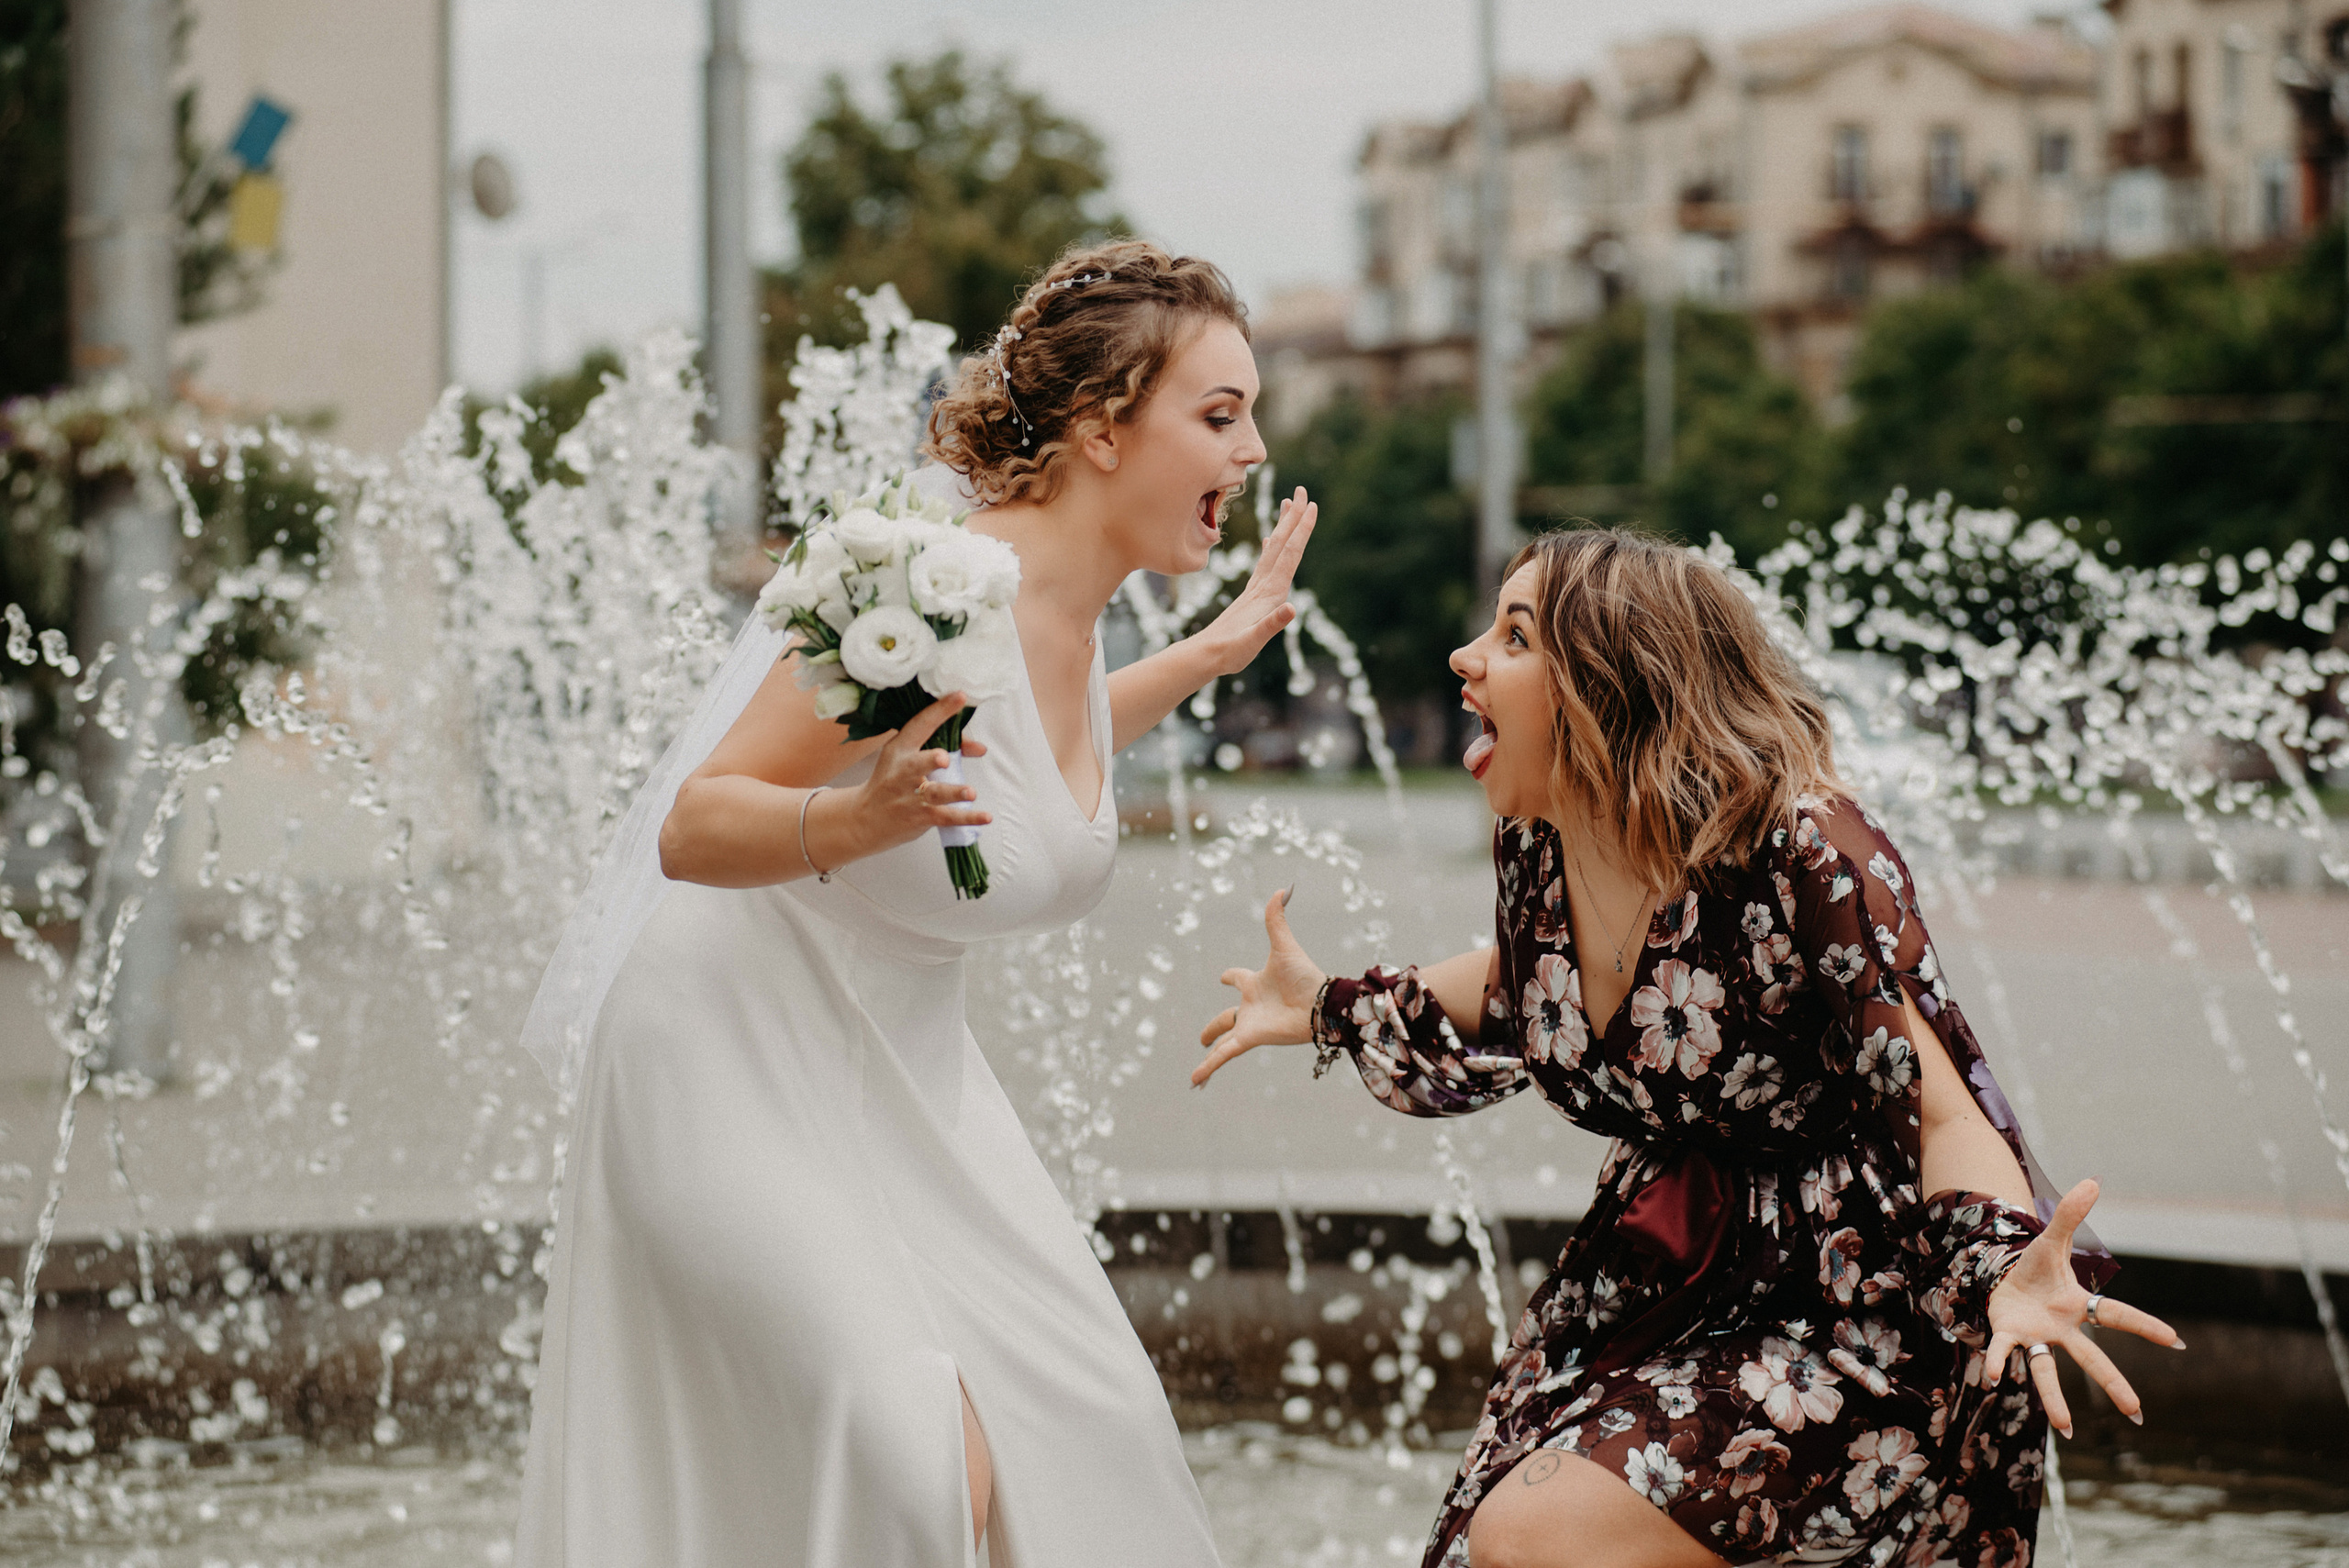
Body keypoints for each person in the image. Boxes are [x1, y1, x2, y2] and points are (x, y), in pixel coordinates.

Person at [512, 239, 1317, 1567]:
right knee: (907, 1439)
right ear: (1107, 428)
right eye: (1220, 416)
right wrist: (855, 818)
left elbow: (1027, 763)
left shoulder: (1075, 623)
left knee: (1092, 1421)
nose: (1252, 454)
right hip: (722, 1055)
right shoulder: (922, 588)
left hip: (901, 1076)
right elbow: (695, 821)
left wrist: (1214, 649)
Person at [1192, 528, 2186, 1568]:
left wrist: (2000, 1264)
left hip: (1848, 1319)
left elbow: (1935, 1100)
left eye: (1516, 634)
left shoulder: (1803, 851)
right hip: (1660, 1288)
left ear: (1614, 682)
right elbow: (1518, 982)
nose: (1466, 656)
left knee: (1530, 1535)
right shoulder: (1545, 848)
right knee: (1488, 1545)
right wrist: (1331, 1004)